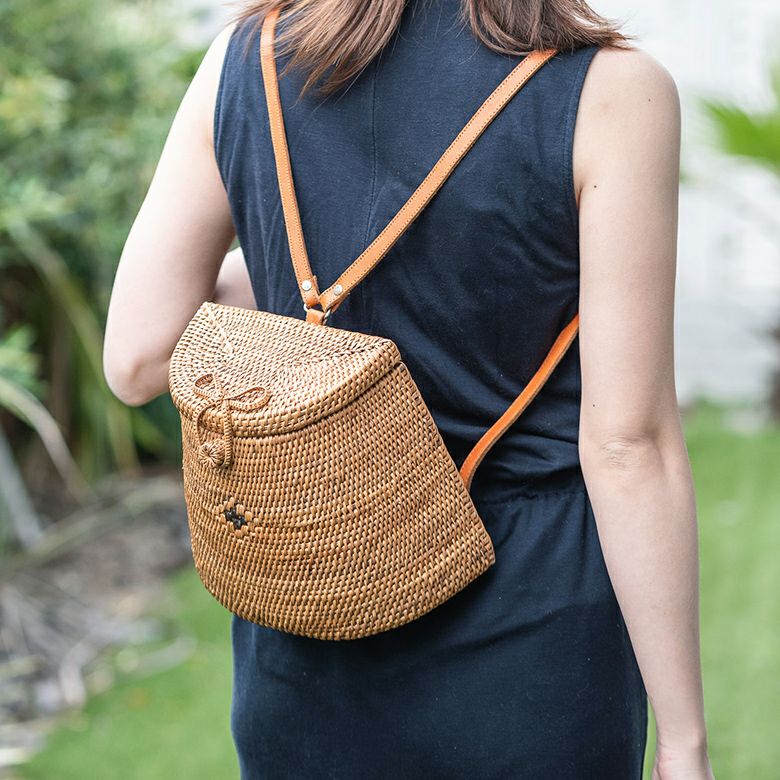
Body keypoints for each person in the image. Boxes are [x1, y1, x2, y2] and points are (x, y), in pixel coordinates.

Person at [103, 0, 715, 777]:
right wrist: (684, 742)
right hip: (532, 645)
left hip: (309, 634)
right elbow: (628, 445)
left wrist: (284, 271)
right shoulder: (611, 93)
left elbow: (138, 358)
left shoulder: (247, 57)